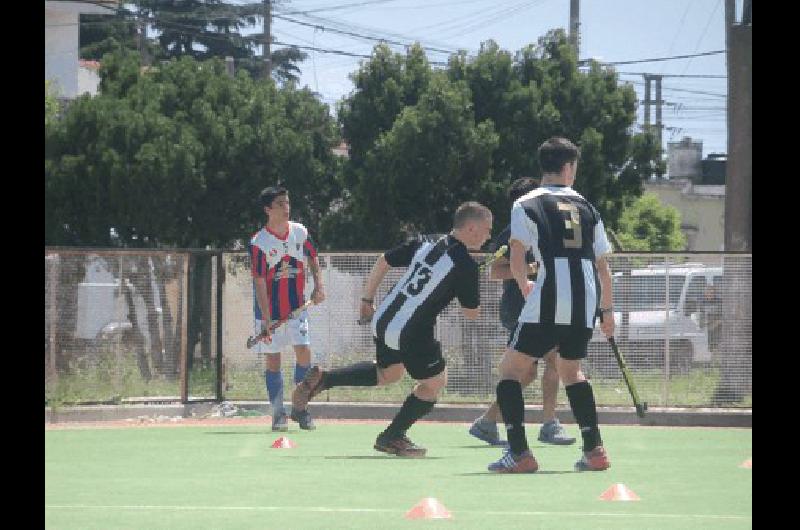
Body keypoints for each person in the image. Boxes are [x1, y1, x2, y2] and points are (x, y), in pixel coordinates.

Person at [292, 202, 493, 456]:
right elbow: (471, 313)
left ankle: (326, 379)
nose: (488, 237)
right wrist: (476, 283)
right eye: (487, 230)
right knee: (434, 384)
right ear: (472, 228)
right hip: (412, 332)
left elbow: (384, 260)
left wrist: (366, 300)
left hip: (385, 317)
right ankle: (393, 436)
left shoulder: (426, 241)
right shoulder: (464, 265)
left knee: (388, 374)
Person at [487, 137, 615, 473]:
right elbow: (603, 266)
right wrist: (608, 311)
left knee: (510, 372)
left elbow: (517, 255)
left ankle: (519, 453)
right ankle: (595, 450)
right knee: (571, 372)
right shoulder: (589, 207)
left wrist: (524, 283)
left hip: (547, 298)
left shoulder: (526, 204)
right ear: (569, 166)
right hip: (584, 302)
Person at [469, 177, 575, 447]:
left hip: (541, 308)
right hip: (521, 308)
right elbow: (494, 271)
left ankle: (487, 422)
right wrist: (530, 270)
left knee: (525, 373)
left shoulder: (545, 230)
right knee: (554, 358)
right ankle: (549, 424)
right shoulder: (512, 233)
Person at [249, 186, 326, 432]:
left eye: (288, 202)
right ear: (268, 209)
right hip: (269, 312)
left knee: (304, 352)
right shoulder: (259, 243)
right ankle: (278, 412)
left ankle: (300, 409)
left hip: (297, 308)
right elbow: (259, 281)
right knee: (273, 360)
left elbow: (313, 258)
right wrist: (267, 318)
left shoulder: (299, 233)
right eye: (280, 203)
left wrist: (318, 286)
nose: (286, 207)